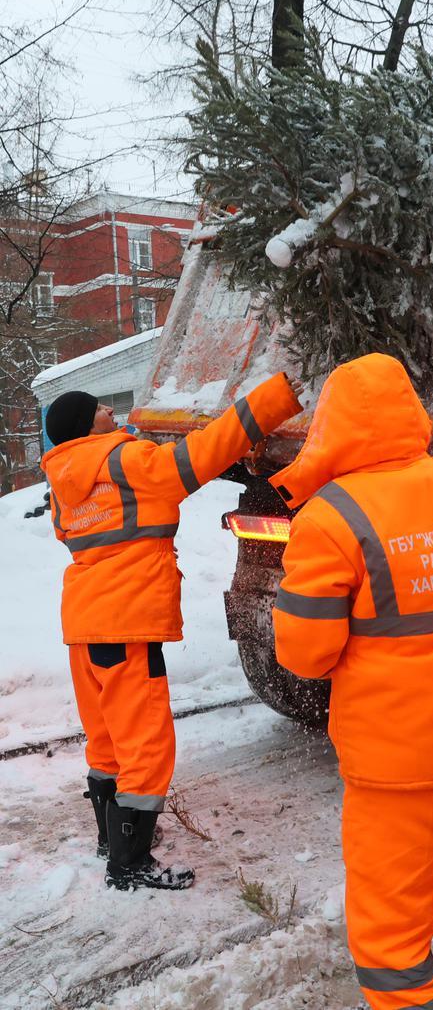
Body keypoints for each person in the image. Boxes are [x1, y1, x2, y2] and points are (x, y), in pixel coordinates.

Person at [269, 353, 433, 1010]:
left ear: (332, 426)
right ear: (410, 414)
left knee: (393, 937)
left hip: (396, 770)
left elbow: (305, 655)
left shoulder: (330, 518)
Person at [41, 374, 301, 891]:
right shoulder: (128, 463)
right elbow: (207, 450)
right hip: (127, 623)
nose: (111, 414)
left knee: (107, 740)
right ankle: (130, 863)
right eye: (101, 409)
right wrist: (277, 397)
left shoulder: (61, 483)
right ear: (87, 425)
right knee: (145, 744)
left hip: (84, 625)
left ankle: (111, 838)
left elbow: (70, 532)